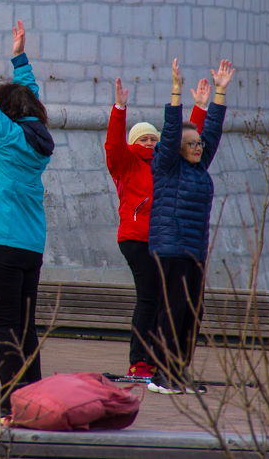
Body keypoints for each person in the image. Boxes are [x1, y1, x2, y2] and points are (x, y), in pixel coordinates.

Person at [0, 11, 54, 419]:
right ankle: (33, 406)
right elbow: (30, 99)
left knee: (4, 328)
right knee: (26, 329)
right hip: (28, 247)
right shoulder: (36, 139)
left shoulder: (1, 135)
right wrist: (20, 59)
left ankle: (12, 408)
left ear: (6, 114)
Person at [104, 77, 206, 380]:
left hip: (164, 241)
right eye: (143, 139)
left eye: (153, 139)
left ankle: (161, 361)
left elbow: (187, 140)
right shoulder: (127, 163)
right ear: (133, 143)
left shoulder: (165, 162)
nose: (149, 143)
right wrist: (119, 109)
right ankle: (139, 363)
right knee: (149, 298)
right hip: (137, 239)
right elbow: (113, 145)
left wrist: (200, 109)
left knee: (167, 301)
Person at [147, 59, 233, 395]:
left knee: (190, 316)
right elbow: (171, 131)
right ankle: (161, 374)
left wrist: (221, 92)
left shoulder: (199, 168)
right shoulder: (167, 166)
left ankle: (178, 372)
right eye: (192, 143)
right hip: (170, 247)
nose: (198, 146)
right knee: (172, 311)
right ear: (178, 150)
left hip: (193, 250)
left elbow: (212, 129)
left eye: (199, 144)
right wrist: (176, 90)